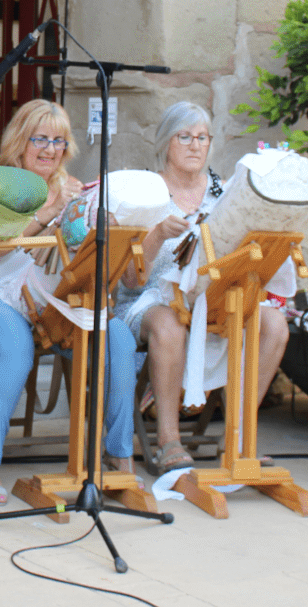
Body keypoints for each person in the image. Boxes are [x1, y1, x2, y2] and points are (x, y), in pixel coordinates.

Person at [115, 101, 288, 473]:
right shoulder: (147, 190)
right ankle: (169, 440)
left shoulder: (224, 193)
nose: (195, 145)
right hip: (149, 300)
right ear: (166, 142)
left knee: (274, 324)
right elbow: (131, 279)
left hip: (209, 298)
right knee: (169, 323)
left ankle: (239, 437)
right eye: (185, 137)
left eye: (202, 137)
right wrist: (158, 235)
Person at [0, 100, 80, 504]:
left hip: (43, 302)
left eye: (58, 140)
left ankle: (112, 458)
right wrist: (50, 211)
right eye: (40, 138)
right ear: (20, 140)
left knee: (111, 336)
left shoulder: (72, 189)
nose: (50, 149)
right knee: (14, 338)